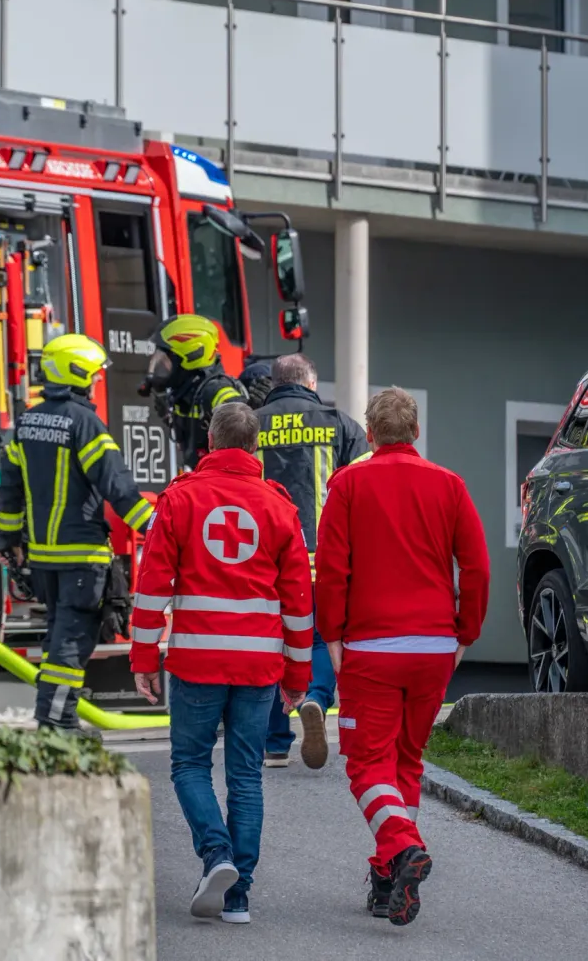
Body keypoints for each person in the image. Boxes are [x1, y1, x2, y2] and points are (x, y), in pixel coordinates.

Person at [130, 402, 314, 925]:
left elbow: (152, 588)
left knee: (189, 765)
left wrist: (143, 657)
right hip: (259, 666)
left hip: (196, 660)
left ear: (210, 441)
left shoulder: (180, 500)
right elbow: (299, 604)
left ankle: (217, 856)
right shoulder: (281, 509)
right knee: (246, 777)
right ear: (256, 447)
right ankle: (239, 896)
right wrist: (298, 677)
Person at [314, 387, 489, 927]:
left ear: (368, 433)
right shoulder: (450, 485)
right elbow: (477, 568)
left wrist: (333, 638)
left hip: (371, 646)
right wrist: (464, 637)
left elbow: (333, 568)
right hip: (435, 647)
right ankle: (388, 878)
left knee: (367, 763)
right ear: (415, 432)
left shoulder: (347, 484)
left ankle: (402, 845)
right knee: (405, 762)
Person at [0, 333, 156, 731]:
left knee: (58, 635)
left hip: (43, 560)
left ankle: (57, 716)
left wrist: (10, 542)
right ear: (79, 374)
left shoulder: (28, 421)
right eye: (93, 376)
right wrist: (154, 528)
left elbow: (10, 489)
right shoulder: (84, 423)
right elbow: (116, 485)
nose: (95, 384)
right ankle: (57, 721)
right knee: (72, 642)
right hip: (81, 555)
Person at [254, 353, 370, 769]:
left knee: (272, 644)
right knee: (322, 638)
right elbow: (363, 491)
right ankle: (317, 700)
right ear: (311, 383)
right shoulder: (340, 425)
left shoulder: (253, 423)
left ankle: (275, 741)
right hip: (323, 561)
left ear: (274, 383)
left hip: (263, 563)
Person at [142, 314, 246, 470]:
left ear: (191, 356)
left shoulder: (215, 391)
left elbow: (244, 432)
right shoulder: (187, 393)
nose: (158, 364)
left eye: (165, 358)